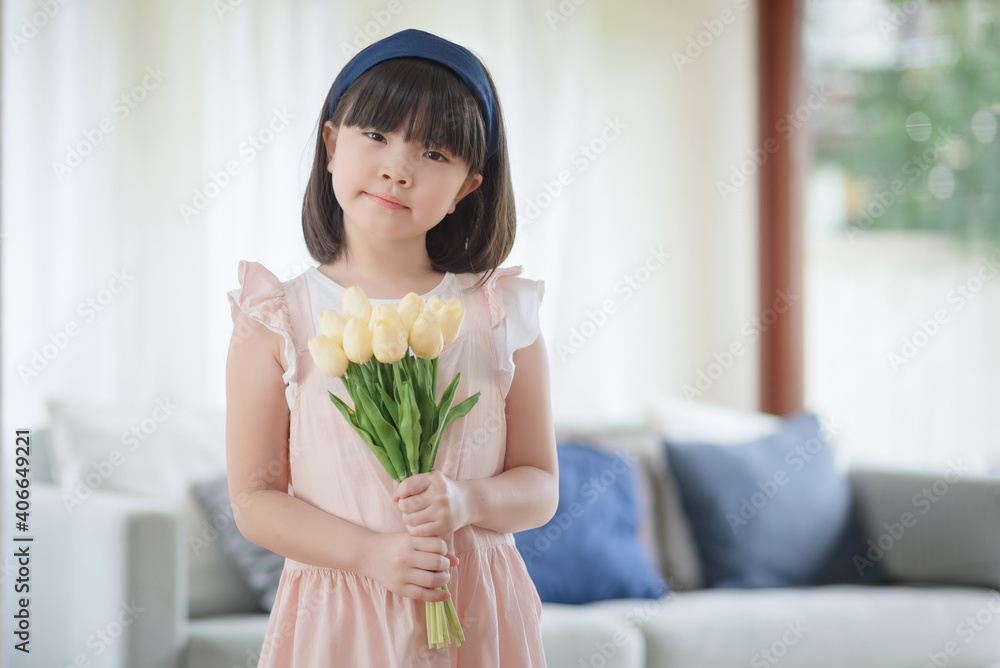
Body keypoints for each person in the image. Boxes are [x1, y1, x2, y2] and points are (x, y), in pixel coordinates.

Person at [225, 28, 557, 667]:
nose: (397, 168)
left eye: (434, 153)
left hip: (474, 613)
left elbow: (540, 485)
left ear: (467, 187)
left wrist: (468, 502)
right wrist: (370, 554)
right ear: (330, 145)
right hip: (339, 618)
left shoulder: (500, 311)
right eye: (375, 136)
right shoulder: (276, 317)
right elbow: (255, 499)